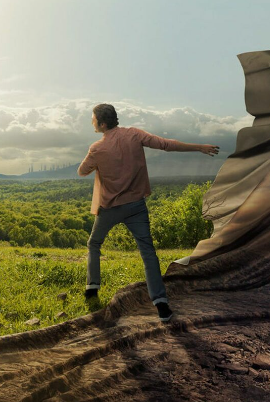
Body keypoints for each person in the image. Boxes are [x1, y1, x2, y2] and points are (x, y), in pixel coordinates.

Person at [77, 103, 220, 322]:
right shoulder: (134, 134)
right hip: (136, 206)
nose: (91, 121)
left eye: (93, 118)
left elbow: (81, 171)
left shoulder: (97, 148)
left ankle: (92, 287)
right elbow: (166, 144)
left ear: (102, 123)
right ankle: (161, 304)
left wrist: (101, 162)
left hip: (109, 209)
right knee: (148, 253)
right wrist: (198, 147)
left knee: (94, 244)